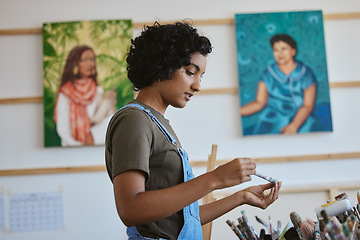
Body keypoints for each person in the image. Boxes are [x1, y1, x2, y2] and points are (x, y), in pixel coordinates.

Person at [105, 22, 281, 240]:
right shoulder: (134, 120)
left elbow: (179, 219)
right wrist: (215, 178)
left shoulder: (158, 123)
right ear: (161, 67)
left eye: (201, 76)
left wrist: (241, 197)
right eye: (190, 72)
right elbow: (131, 209)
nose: (197, 85)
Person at [240, 34, 319, 135]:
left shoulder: (306, 74)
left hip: (301, 119)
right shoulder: (268, 74)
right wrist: (236, 112)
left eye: (284, 49)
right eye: (276, 50)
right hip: (272, 119)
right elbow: (259, 103)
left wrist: (293, 126)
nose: (280, 53)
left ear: (293, 51)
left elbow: (307, 105)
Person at [54, 45, 116, 146]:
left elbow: (105, 120)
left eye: (92, 59)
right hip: (70, 149)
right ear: (75, 64)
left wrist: (92, 136)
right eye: (84, 60)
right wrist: (78, 146)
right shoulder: (65, 93)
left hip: (94, 145)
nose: (90, 64)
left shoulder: (97, 90)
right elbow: (62, 128)